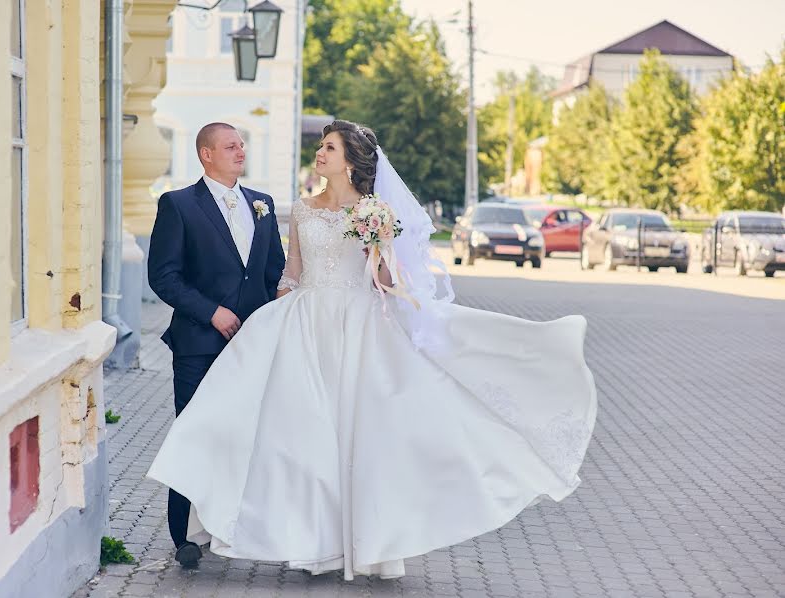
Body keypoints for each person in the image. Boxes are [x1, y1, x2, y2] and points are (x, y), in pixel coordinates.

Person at [148, 119, 597, 580]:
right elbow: (290, 273)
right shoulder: (299, 210)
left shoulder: (372, 211)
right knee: (299, 436)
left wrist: (378, 250)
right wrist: (273, 320)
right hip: (304, 324)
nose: (319, 154)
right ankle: (295, 542)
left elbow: (384, 283)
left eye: (328, 148)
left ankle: (362, 542)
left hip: (357, 329)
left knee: (356, 435)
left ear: (349, 160)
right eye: (320, 147)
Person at [146, 122, 286, 568]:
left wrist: (269, 321)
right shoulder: (179, 205)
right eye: (230, 145)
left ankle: (242, 528)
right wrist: (211, 312)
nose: (240, 150)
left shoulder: (261, 205)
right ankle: (183, 536)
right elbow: (163, 276)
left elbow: (273, 274)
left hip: (253, 347)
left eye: (241, 144)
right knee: (194, 434)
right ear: (206, 154)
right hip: (199, 345)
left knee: (251, 438)